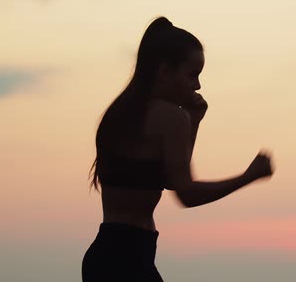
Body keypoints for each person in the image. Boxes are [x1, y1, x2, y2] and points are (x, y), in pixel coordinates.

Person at [81, 16, 275, 282]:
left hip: (103, 256)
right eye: (192, 74)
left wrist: (193, 121)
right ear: (164, 72)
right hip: (130, 260)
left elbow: (171, 178)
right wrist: (248, 177)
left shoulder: (118, 113)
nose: (197, 86)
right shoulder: (171, 117)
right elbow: (186, 194)